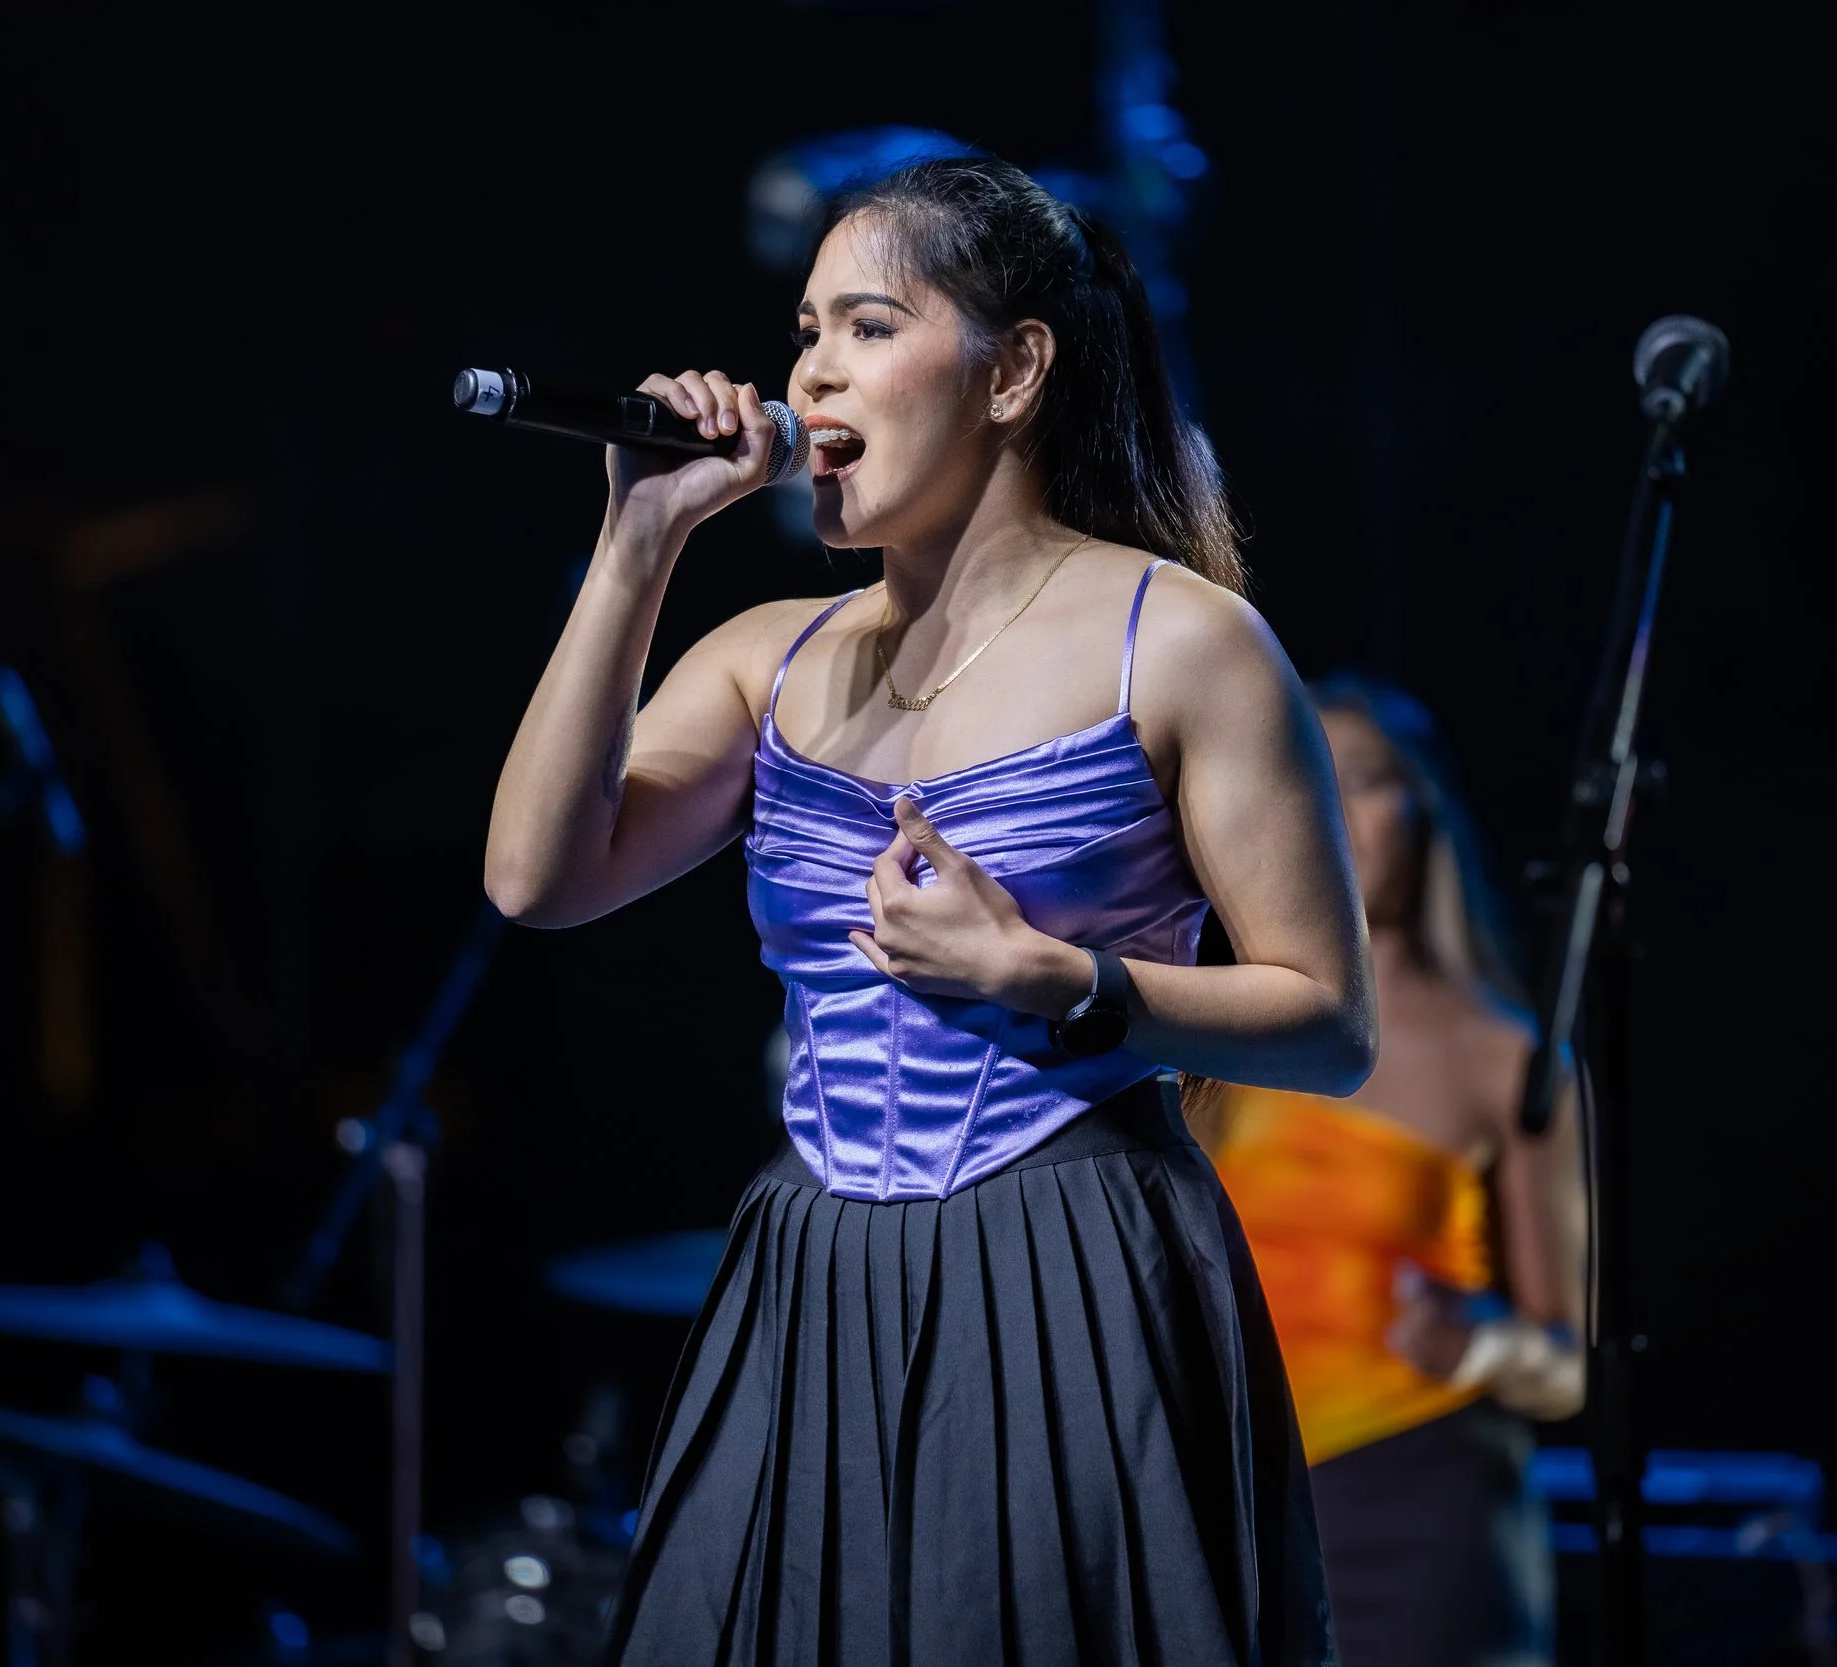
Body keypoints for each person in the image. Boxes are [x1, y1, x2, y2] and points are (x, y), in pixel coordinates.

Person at [483, 158, 1373, 1665]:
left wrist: (1060, 976)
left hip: (1072, 1261)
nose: (813, 368)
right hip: (814, 1270)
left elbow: (1332, 1023)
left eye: (870, 325)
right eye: (805, 330)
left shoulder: (1182, 640)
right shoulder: (773, 652)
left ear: (1016, 369)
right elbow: (539, 878)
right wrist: (640, 543)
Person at [1199, 676, 1588, 1667]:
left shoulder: (1504, 1056)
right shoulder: (1209, 1030)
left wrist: (1484, 1344)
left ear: (1421, 813)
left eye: (1363, 779)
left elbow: (1572, 1360)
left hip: (1420, 1499)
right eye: (1304, 776)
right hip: (1225, 1497)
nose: (1333, 808)